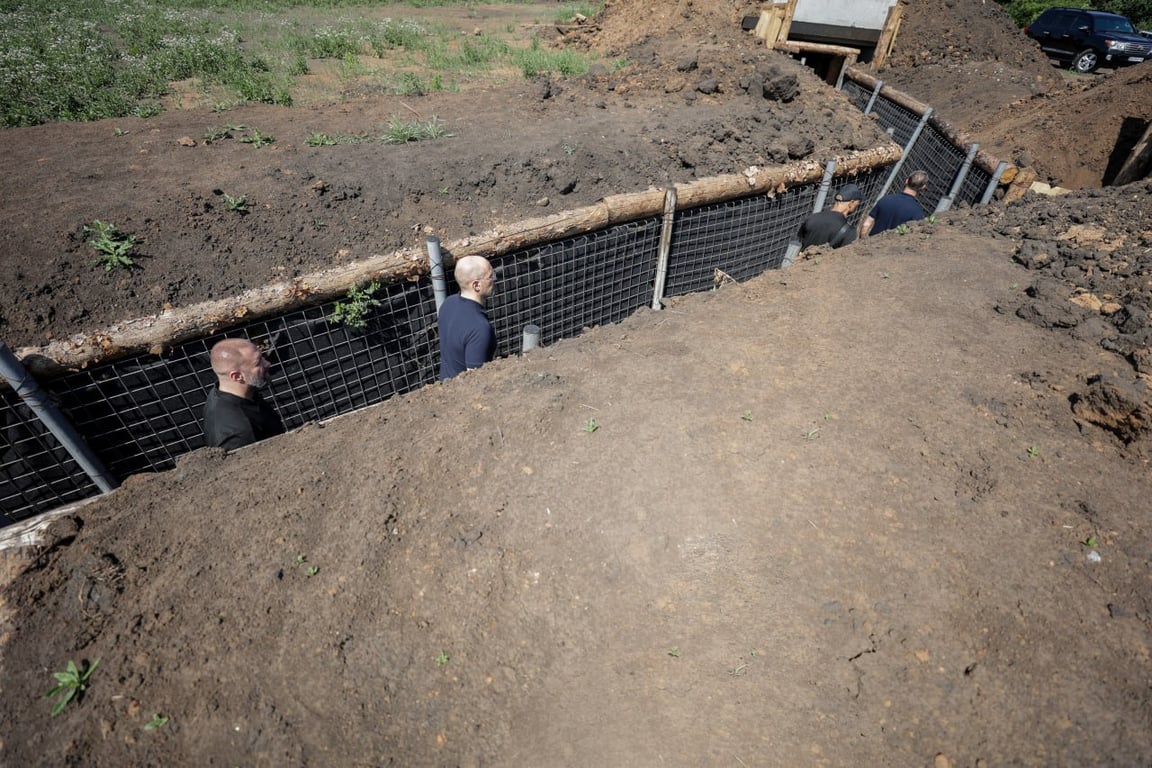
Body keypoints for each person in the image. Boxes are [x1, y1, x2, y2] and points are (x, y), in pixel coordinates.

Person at [203, 338, 284, 450]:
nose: (268, 363)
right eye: (258, 363)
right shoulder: (239, 434)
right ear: (237, 376)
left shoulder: (222, 392)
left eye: (263, 358)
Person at [437, 255, 497, 381]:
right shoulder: (480, 328)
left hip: (446, 382)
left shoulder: (448, 303)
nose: (494, 280)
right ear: (476, 285)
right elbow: (475, 382)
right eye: (490, 277)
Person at [860, 170, 929, 237]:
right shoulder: (917, 212)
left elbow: (866, 224)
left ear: (906, 181)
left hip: (871, 243)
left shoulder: (885, 199)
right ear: (923, 187)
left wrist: (862, 242)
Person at [795, 182, 863, 250]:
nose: (857, 206)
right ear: (851, 203)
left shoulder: (812, 218)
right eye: (858, 203)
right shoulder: (849, 232)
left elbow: (800, 240)